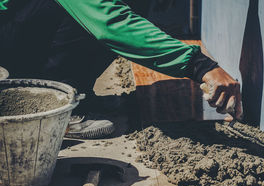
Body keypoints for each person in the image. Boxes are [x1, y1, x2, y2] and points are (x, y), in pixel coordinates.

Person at [0, 0, 242, 139]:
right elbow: (111, 23)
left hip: (21, 35)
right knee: (103, 15)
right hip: (13, 36)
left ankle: (77, 92)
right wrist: (201, 66)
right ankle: (58, 108)